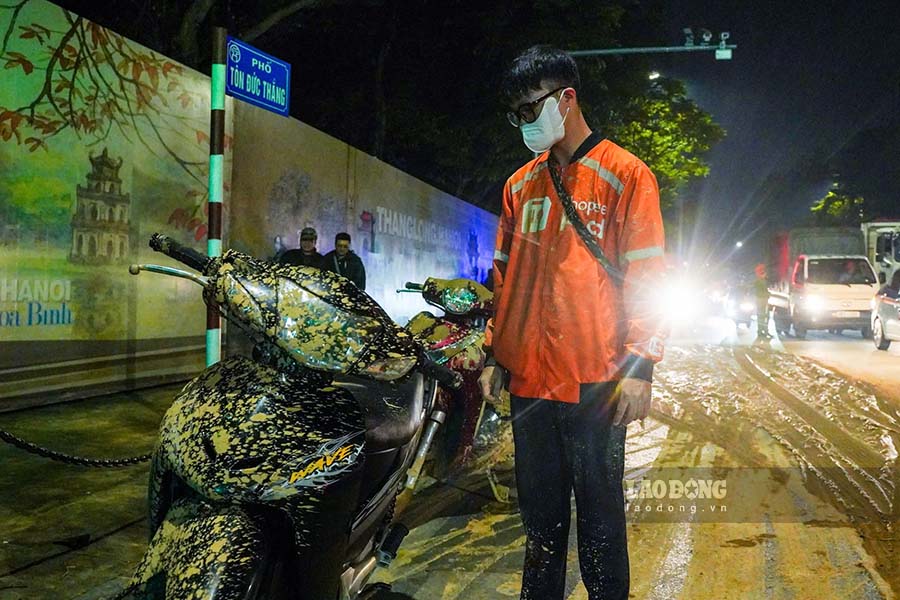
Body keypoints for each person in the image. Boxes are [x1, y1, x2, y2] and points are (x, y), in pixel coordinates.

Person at [478, 46, 666, 600]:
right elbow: (504, 279)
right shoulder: (518, 186)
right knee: (540, 524)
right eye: (515, 114)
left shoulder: (626, 176)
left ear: (566, 98)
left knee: (602, 522)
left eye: (530, 108)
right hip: (530, 381)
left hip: (598, 378)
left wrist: (640, 367)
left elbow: (648, 277)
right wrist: (494, 356)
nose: (525, 123)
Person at [754, 263, 771, 338]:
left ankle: (762, 331)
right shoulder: (759, 281)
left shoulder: (761, 281)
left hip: (762, 300)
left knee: (764, 316)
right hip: (761, 300)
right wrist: (767, 294)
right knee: (763, 316)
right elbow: (762, 291)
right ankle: (762, 331)